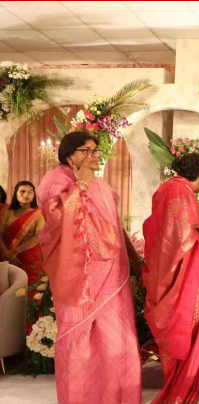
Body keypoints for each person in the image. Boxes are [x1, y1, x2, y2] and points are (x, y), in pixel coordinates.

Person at [37, 131, 142, 404]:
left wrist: (134, 259)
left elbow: (116, 226)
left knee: (117, 341)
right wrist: (80, 185)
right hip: (79, 278)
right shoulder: (56, 180)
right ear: (69, 156)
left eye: (95, 150)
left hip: (113, 275)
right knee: (79, 343)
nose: (94, 155)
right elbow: (56, 219)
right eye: (86, 150)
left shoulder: (102, 186)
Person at [143, 152, 199, 404]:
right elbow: (184, 233)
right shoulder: (181, 191)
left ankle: (176, 380)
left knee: (177, 326)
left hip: (166, 269)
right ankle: (182, 384)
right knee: (186, 326)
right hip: (187, 274)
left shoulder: (166, 189)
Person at [0, 181, 45, 289]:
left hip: (29, 257)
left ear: (34, 195)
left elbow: (37, 238)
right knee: (7, 289)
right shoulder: (7, 212)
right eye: (22, 191)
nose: (26, 195)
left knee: (30, 289)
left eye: (30, 192)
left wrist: (14, 252)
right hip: (5, 254)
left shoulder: (39, 213)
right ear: (16, 193)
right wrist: (6, 253)